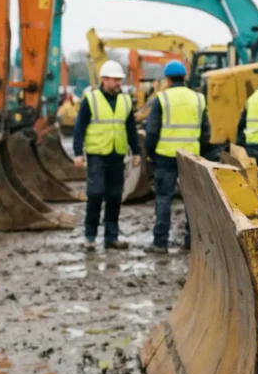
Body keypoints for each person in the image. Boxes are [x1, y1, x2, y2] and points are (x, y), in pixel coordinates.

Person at [143, 60, 210, 254]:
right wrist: (200, 152)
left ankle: (160, 243)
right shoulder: (198, 98)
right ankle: (191, 243)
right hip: (191, 157)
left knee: (164, 199)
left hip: (165, 156)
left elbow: (152, 131)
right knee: (192, 201)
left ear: (168, 78)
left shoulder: (162, 99)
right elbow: (206, 131)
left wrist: (151, 153)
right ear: (185, 77)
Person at [72, 60, 140, 251]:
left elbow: (131, 129)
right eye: (115, 80)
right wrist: (78, 153)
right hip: (97, 155)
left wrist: (136, 151)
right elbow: (79, 127)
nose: (118, 83)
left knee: (114, 196)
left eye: (120, 80)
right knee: (95, 194)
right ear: (104, 80)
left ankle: (111, 237)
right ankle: (90, 236)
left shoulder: (125, 100)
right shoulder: (91, 99)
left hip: (117, 155)